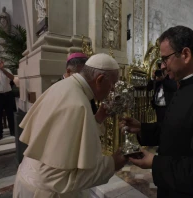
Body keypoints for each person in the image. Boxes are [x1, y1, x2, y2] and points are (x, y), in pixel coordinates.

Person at [120, 26, 193, 198]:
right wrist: (142, 128)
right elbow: (177, 131)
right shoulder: (184, 86)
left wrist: (155, 163)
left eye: (165, 59)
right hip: (175, 186)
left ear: (185, 55)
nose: (163, 66)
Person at [13, 53, 128, 198]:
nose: (112, 90)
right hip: (45, 192)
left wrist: (98, 119)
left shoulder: (65, 86)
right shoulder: (77, 103)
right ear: (99, 79)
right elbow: (61, 179)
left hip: (28, 179)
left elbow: (66, 137)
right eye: (112, 84)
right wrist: (112, 164)